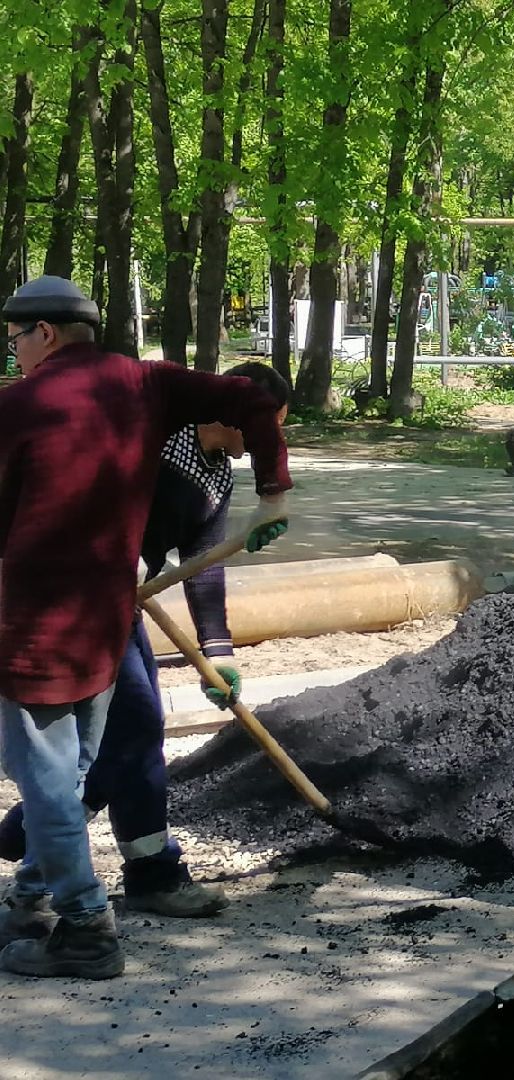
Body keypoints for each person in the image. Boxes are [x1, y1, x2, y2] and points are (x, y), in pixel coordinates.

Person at [0, 276, 292, 980]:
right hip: (106, 616)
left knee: (49, 780)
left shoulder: (16, 406)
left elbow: (203, 556)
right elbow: (252, 402)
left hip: (35, 625)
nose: (13, 354)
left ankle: (85, 927)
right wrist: (276, 491)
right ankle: (34, 895)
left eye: (14, 340)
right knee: (72, 772)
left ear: (44, 333)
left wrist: (215, 652)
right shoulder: (147, 385)